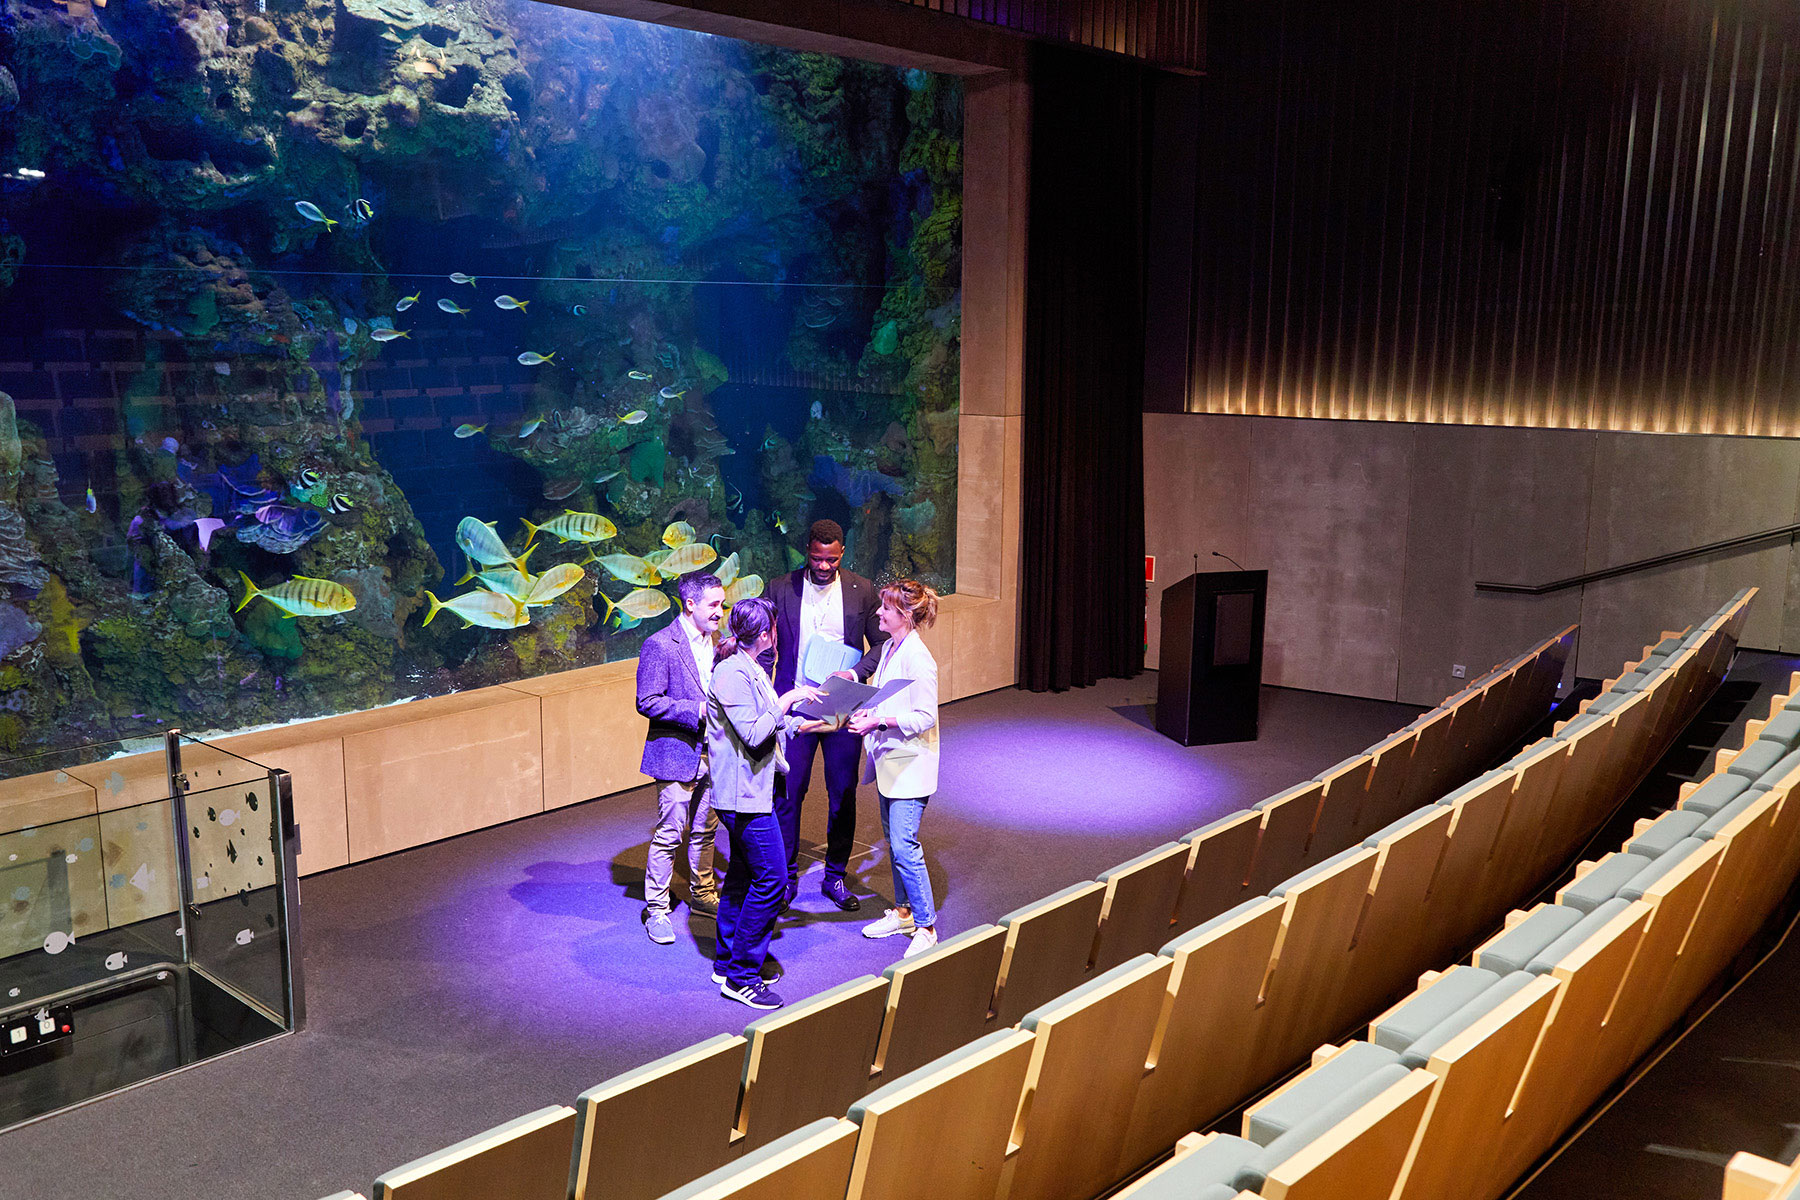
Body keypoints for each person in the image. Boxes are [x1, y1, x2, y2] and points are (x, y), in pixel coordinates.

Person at [763, 519, 888, 912]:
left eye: (831, 559)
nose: (823, 566)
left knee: (843, 793)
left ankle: (835, 875)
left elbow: (881, 644)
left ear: (842, 553)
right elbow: (764, 647)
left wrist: (855, 674)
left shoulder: (861, 589)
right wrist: (764, 692)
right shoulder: (780, 587)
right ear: (807, 550)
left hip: (842, 708)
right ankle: (785, 880)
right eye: (817, 558)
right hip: (795, 707)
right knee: (788, 793)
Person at [707, 596, 818, 1009]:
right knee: (771, 880)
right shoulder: (733, 672)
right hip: (743, 797)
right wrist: (787, 700)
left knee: (740, 877)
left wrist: (802, 719)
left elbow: (764, 722)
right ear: (766, 633)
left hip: (758, 789)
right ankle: (741, 976)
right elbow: (753, 733)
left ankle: (726, 960)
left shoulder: (749, 667)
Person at [848, 579, 942, 959]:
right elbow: (891, 696)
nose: (878, 613)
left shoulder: (919, 658)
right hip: (892, 760)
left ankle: (926, 924)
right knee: (894, 842)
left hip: (911, 763)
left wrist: (879, 721)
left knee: (905, 845)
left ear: (904, 615)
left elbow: (924, 716)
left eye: (886, 609)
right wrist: (870, 713)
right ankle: (904, 912)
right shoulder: (889, 647)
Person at [633, 572, 725, 945]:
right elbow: (647, 701)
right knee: (670, 833)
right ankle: (656, 908)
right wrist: (697, 710)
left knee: (706, 831)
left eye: (722, 603)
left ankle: (703, 895)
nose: (721, 612)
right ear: (690, 605)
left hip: (713, 753)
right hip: (676, 753)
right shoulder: (660, 645)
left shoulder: (716, 643)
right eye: (714, 605)